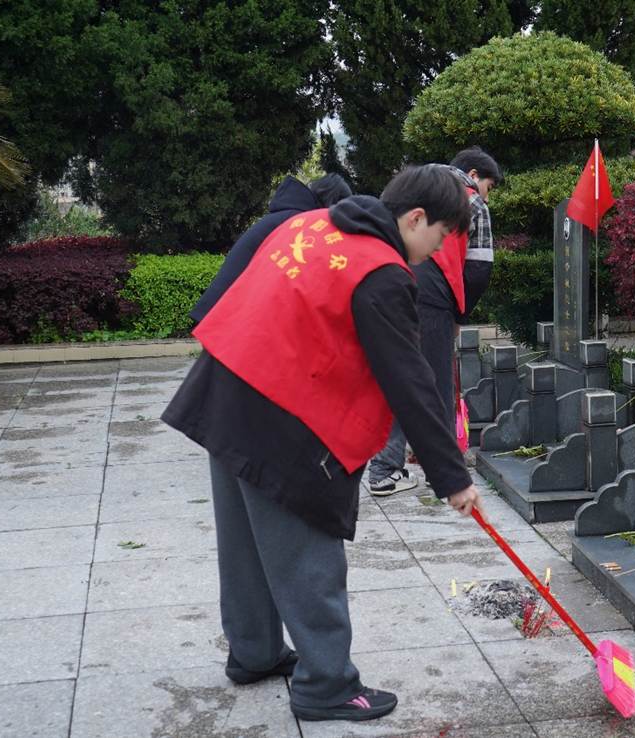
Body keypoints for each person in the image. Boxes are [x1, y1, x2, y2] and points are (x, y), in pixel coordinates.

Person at [162, 164, 483, 722]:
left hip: (224, 387)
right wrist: (452, 477)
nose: (437, 252)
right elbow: (409, 381)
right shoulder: (381, 271)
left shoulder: (308, 224)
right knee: (308, 553)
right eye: (439, 237)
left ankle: (255, 653)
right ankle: (326, 684)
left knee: (244, 542)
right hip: (282, 415)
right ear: (415, 218)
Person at [367, 146, 502, 495]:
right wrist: (459, 313)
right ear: (473, 175)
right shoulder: (472, 201)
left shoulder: (411, 184)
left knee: (398, 373)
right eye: (488, 186)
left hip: (390, 283)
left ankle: (384, 468)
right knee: (437, 382)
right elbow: (479, 268)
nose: (487, 195)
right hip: (434, 294)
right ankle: (442, 471)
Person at [189, 173, 352, 323]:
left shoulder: (289, 215)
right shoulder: (297, 222)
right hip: (229, 309)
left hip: (225, 304)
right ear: (331, 202)